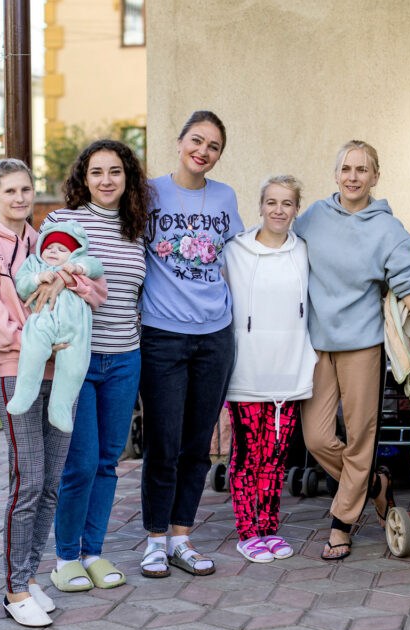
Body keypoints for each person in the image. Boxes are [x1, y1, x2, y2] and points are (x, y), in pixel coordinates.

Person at [0, 159, 106, 628]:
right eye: (10, 191)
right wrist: (38, 343)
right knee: (27, 482)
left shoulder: (44, 238)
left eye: (26, 189)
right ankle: (14, 587)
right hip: (18, 370)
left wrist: (67, 278)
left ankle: (29, 573)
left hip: (62, 369)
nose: (20, 198)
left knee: (50, 482)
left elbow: (97, 291)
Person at [295, 140, 410, 561]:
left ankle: (341, 524)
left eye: (362, 169)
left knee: (360, 439)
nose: (353, 176)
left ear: (375, 176)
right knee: (318, 437)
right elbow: (283, 254)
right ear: (336, 173)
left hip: (362, 345)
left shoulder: (388, 230)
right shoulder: (313, 218)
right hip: (316, 343)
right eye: (346, 168)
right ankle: (375, 487)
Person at [44, 139, 152, 592]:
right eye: (96, 172)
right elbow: (38, 284)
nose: (106, 180)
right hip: (77, 361)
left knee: (109, 461)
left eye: (115, 172)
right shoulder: (62, 222)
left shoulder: (137, 228)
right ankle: (65, 557)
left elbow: (137, 298)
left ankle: (94, 552)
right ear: (82, 178)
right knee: (81, 462)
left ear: (127, 177)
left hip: (126, 358)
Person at [139, 110, 244, 578]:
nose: (203, 151)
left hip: (214, 337)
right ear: (179, 141)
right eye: (197, 141)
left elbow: (238, 260)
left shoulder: (225, 198)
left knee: (199, 446)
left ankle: (182, 538)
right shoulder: (149, 193)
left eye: (214, 146)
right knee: (163, 442)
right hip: (162, 336)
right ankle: (154, 541)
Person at [224, 174, 316, 563]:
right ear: (260, 205)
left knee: (277, 455)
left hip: (289, 369)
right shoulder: (235, 250)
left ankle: (269, 526)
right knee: (249, 454)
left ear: (296, 209)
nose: (279, 210)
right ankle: (248, 532)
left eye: (287, 204)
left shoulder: (304, 252)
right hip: (248, 370)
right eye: (272, 202)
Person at [6, 221, 103, 433]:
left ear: (74, 252)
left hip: (74, 328)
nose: (53, 251)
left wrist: (77, 268)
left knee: (74, 368)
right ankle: (23, 393)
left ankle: (61, 408)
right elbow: (22, 286)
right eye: (49, 247)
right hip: (43, 321)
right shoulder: (34, 263)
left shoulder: (79, 263)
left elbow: (97, 268)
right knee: (32, 353)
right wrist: (37, 278)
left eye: (61, 249)